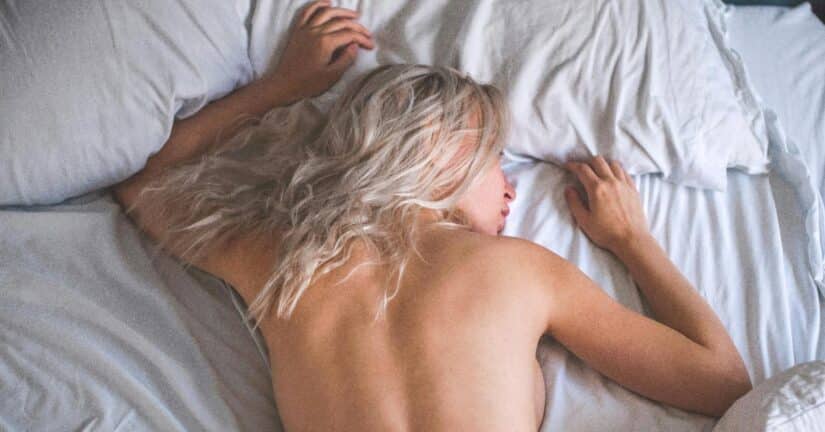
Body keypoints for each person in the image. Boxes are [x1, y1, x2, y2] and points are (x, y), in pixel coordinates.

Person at [112, 1, 752, 430]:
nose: (512, 189)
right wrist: (632, 239)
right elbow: (722, 383)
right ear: (443, 154)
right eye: (495, 159)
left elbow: (145, 184)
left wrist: (283, 87)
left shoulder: (287, 259)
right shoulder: (520, 271)